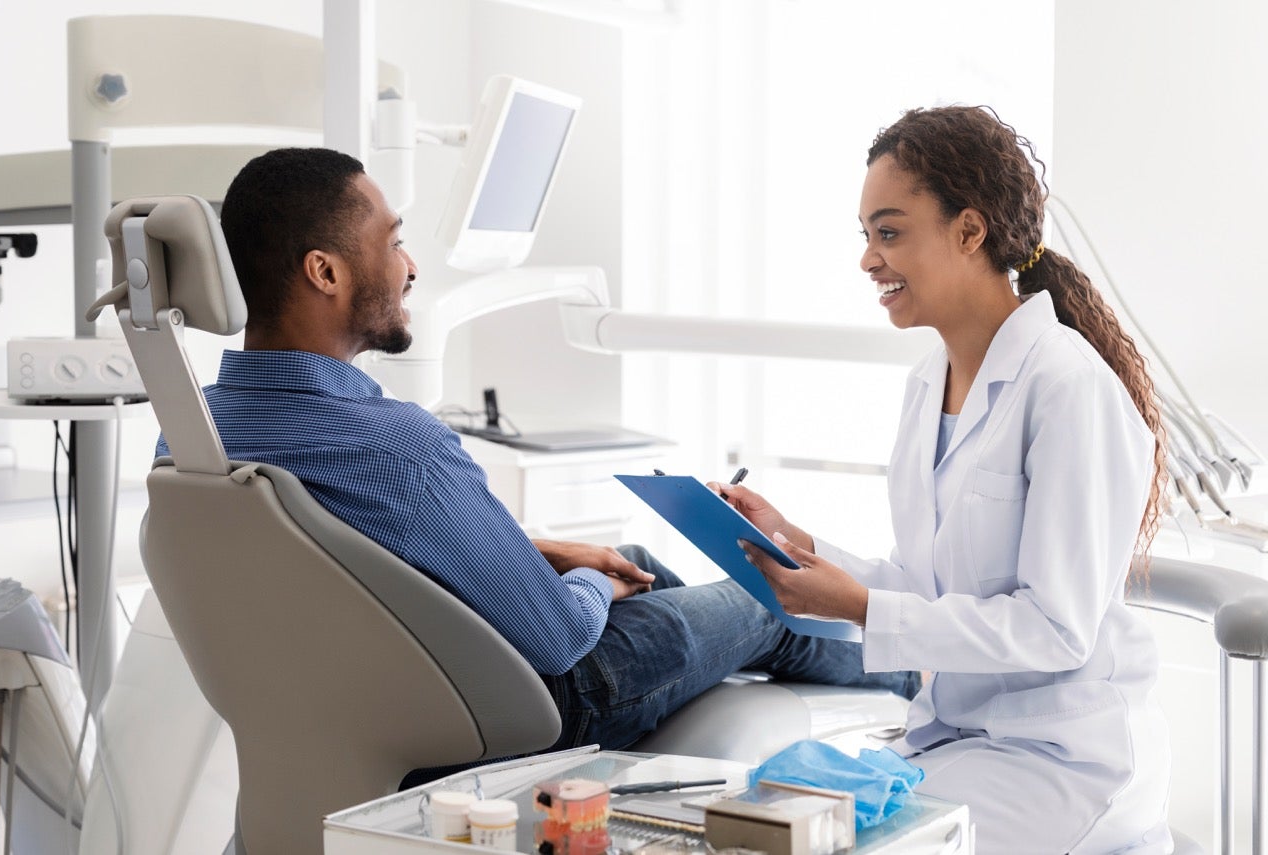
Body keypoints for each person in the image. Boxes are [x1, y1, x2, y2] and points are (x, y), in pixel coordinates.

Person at [158, 146, 919, 763]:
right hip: (538, 701)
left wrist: (554, 552)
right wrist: (587, 579)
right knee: (763, 594)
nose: (410, 266)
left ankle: (696, 646)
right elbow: (556, 637)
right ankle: (924, 672)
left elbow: (351, 555)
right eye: (392, 242)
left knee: (631, 554)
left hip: (366, 692)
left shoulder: (191, 439)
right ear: (325, 271)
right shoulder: (402, 447)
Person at [729, 106, 1172, 853]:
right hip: (958, 736)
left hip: (1061, 758)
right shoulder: (928, 381)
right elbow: (927, 582)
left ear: (970, 232)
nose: (869, 259)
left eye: (890, 231)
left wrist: (865, 606)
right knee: (760, 814)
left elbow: (1056, 628)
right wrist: (803, 548)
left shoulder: (1068, 387)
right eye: (866, 235)